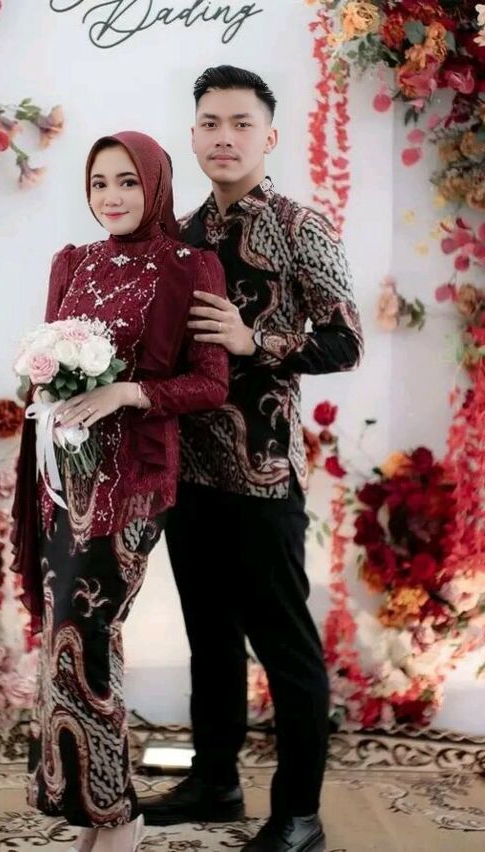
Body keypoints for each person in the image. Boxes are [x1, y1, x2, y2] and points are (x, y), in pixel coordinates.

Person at [139, 66, 364, 852]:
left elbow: (345, 341)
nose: (225, 137)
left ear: (270, 136)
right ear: (193, 135)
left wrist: (253, 339)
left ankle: (299, 816)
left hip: (264, 474)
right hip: (187, 471)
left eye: (241, 123)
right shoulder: (179, 236)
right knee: (209, 639)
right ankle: (215, 781)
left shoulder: (302, 227)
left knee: (287, 650)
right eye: (210, 123)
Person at [11, 131, 229, 852]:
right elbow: (46, 364)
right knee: (63, 638)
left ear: (156, 185)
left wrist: (128, 391)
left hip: (134, 480)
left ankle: (119, 814)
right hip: (63, 477)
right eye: (99, 182)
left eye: (128, 181)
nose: (111, 196)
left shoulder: (190, 266)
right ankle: (94, 809)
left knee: (89, 632)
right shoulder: (72, 263)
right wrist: (42, 381)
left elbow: (211, 382)